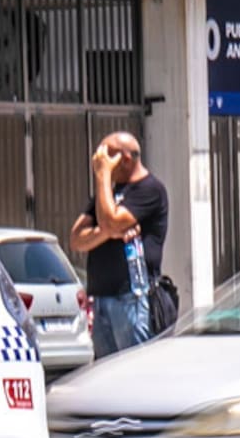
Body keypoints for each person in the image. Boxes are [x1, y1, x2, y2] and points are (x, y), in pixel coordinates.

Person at [70, 131, 169, 358]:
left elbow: (111, 220)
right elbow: (76, 239)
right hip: (102, 297)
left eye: (107, 156)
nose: (99, 161)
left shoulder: (150, 189)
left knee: (132, 369)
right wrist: (110, 232)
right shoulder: (107, 194)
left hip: (131, 298)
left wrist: (103, 176)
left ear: (125, 159)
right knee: (106, 374)